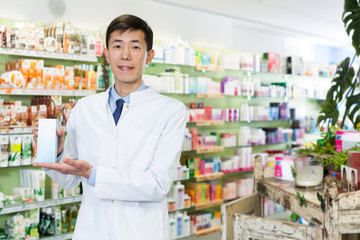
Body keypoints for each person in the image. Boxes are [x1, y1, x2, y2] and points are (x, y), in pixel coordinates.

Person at [33, 14, 187, 240]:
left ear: (149, 56)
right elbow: (70, 181)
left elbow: (156, 184)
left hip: (141, 232)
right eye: (117, 46)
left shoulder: (171, 111)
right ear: (106, 54)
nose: (125, 55)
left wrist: (94, 174)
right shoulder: (84, 108)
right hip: (91, 231)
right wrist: (57, 155)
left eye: (135, 46)